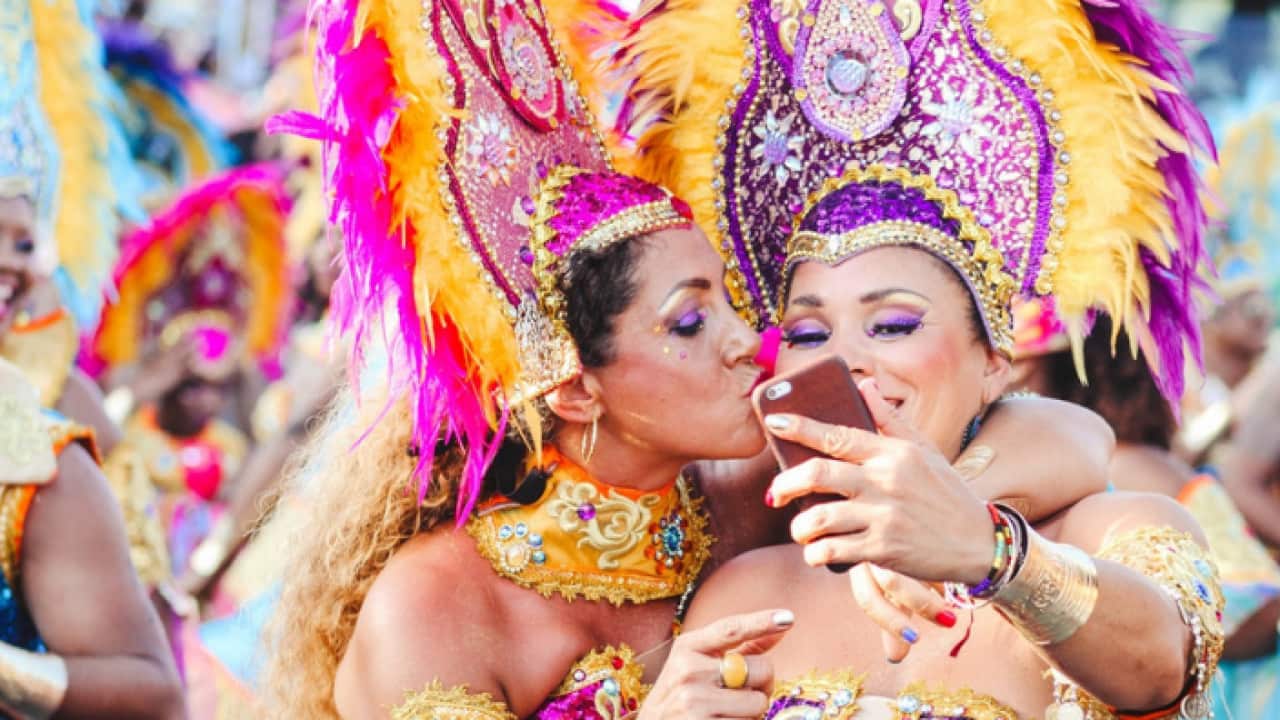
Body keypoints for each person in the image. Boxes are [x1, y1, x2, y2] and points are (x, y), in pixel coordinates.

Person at [262, 1, 1117, 718]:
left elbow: (1071, 437)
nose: (748, 341)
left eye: (729, 303)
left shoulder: (744, 497)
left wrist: (945, 515)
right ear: (574, 390)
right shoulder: (441, 603)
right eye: (688, 322)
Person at [599, 0, 1223, 715]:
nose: (846, 362)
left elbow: (1159, 666)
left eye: (893, 325)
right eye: (806, 335)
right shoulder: (746, 592)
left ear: (995, 360)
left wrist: (992, 554)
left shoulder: (1113, 529)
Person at [1015, 305, 1280, 719]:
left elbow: (1238, 612)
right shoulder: (1145, 459)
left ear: (1066, 368)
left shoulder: (1115, 467)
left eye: (1023, 367)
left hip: (1237, 688)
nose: (1008, 380)